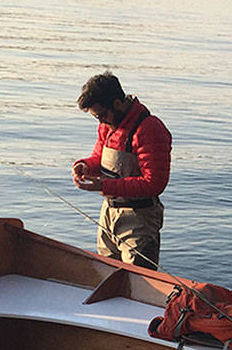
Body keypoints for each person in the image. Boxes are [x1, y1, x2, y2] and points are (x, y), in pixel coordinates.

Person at [72, 72, 172, 268]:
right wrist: (85, 166)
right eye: (96, 117)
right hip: (108, 214)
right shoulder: (107, 126)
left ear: (117, 103)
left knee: (139, 278)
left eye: (102, 115)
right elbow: (99, 157)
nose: (100, 122)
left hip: (139, 219)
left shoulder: (150, 129)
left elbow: (154, 183)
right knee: (106, 271)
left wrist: (104, 186)